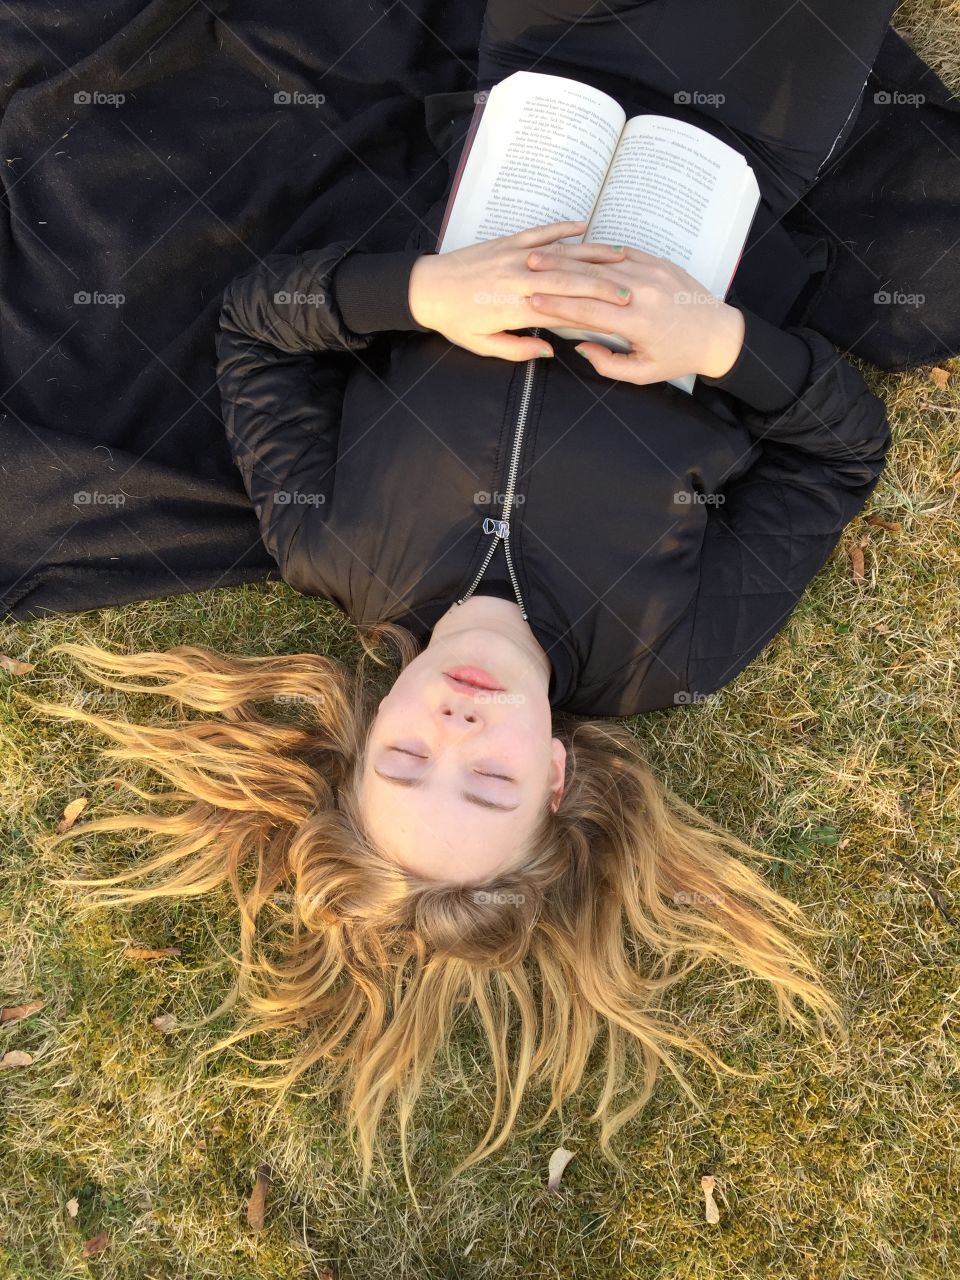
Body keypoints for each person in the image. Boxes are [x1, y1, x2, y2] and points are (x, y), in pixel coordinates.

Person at [38, 0, 899, 1200]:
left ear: (363, 734)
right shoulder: (676, 647)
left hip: (540, 76)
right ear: (557, 777)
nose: (453, 733)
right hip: (743, 132)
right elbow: (843, 451)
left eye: (404, 763)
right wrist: (717, 342)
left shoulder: (327, 546)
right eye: (489, 779)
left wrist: (424, 297)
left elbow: (256, 329)